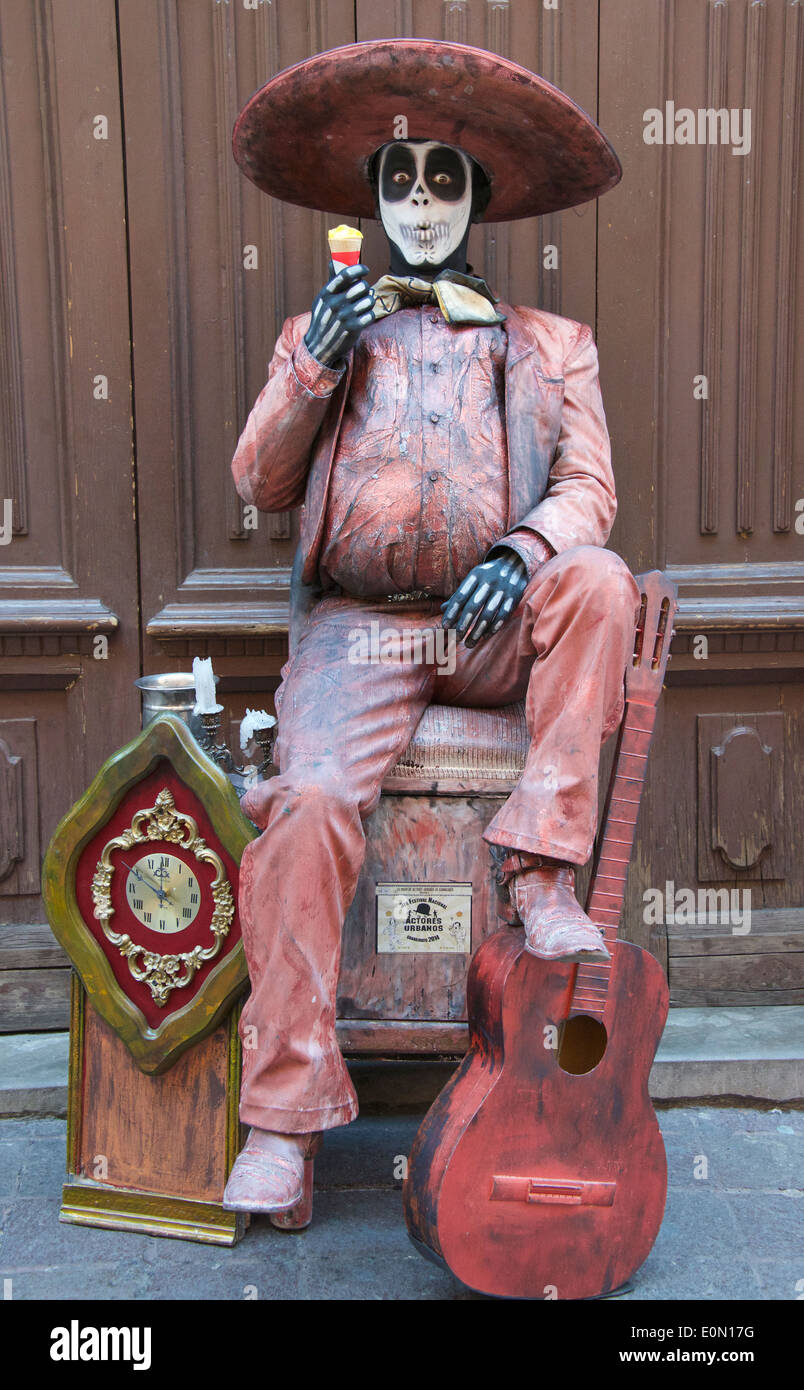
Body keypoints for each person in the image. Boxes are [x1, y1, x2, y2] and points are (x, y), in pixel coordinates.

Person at [223, 40, 641, 1218]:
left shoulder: (554, 342)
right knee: (303, 804)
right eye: (398, 178)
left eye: (441, 178)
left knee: (598, 577)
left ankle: (543, 867)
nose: (418, 201)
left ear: (479, 199)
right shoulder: (326, 329)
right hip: (367, 636)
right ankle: (285, 1122)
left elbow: (590, 491)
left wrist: (522, 553)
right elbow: (257, 480)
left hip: (490, 627)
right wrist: (317, 358)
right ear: (372, 201)